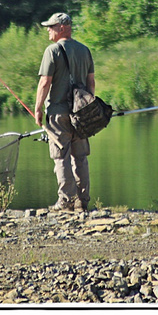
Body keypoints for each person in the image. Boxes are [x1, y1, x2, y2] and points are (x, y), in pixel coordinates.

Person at [32, 12, 96, 211]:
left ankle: (66, 201)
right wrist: (86, 108)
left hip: (59, 113)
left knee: (61, 157)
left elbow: (44, 82)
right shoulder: (85, 50)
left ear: (62, 28)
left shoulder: (52, 51)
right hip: (80, 114)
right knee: (80, 157)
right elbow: (91, 83)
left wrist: (38, 108)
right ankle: (82, 201)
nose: (48, 30)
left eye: (51, 27)